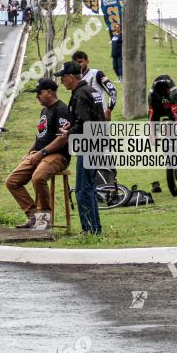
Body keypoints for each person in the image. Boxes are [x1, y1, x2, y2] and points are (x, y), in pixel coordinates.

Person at [5, 78, 72, 231]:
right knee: (12, 181)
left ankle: (44, 219)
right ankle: (33, 215)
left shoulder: (61, 110)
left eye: (39, 93)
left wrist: (42, 153)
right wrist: (30, 152)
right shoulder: (44, 110)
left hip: (58, 155)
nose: (37, 97)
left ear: (49, 92)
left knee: (38, 177)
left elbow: (62, 139)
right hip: (40, 153)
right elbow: (41, 135)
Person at [57, 61, 104, 235]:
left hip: (89, 146)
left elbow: (84, 124)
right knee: (89, 189)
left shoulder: (80, 94)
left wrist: (68, 132)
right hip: (97, 144)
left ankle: (89, 229)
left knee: (83, 190)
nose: (62, 82)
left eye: (63, 78)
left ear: (70, 77)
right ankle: (95, 229)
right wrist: (72, 124)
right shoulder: (90, 91)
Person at [71, 51, 117, 121]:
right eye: (75, 63)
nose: (78, 65)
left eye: (80, 62)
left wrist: (108, 110)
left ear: (87, 61)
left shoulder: (96, 74)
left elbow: (112, 91)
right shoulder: (73, 78)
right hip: (83, 118)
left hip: (99, 116)